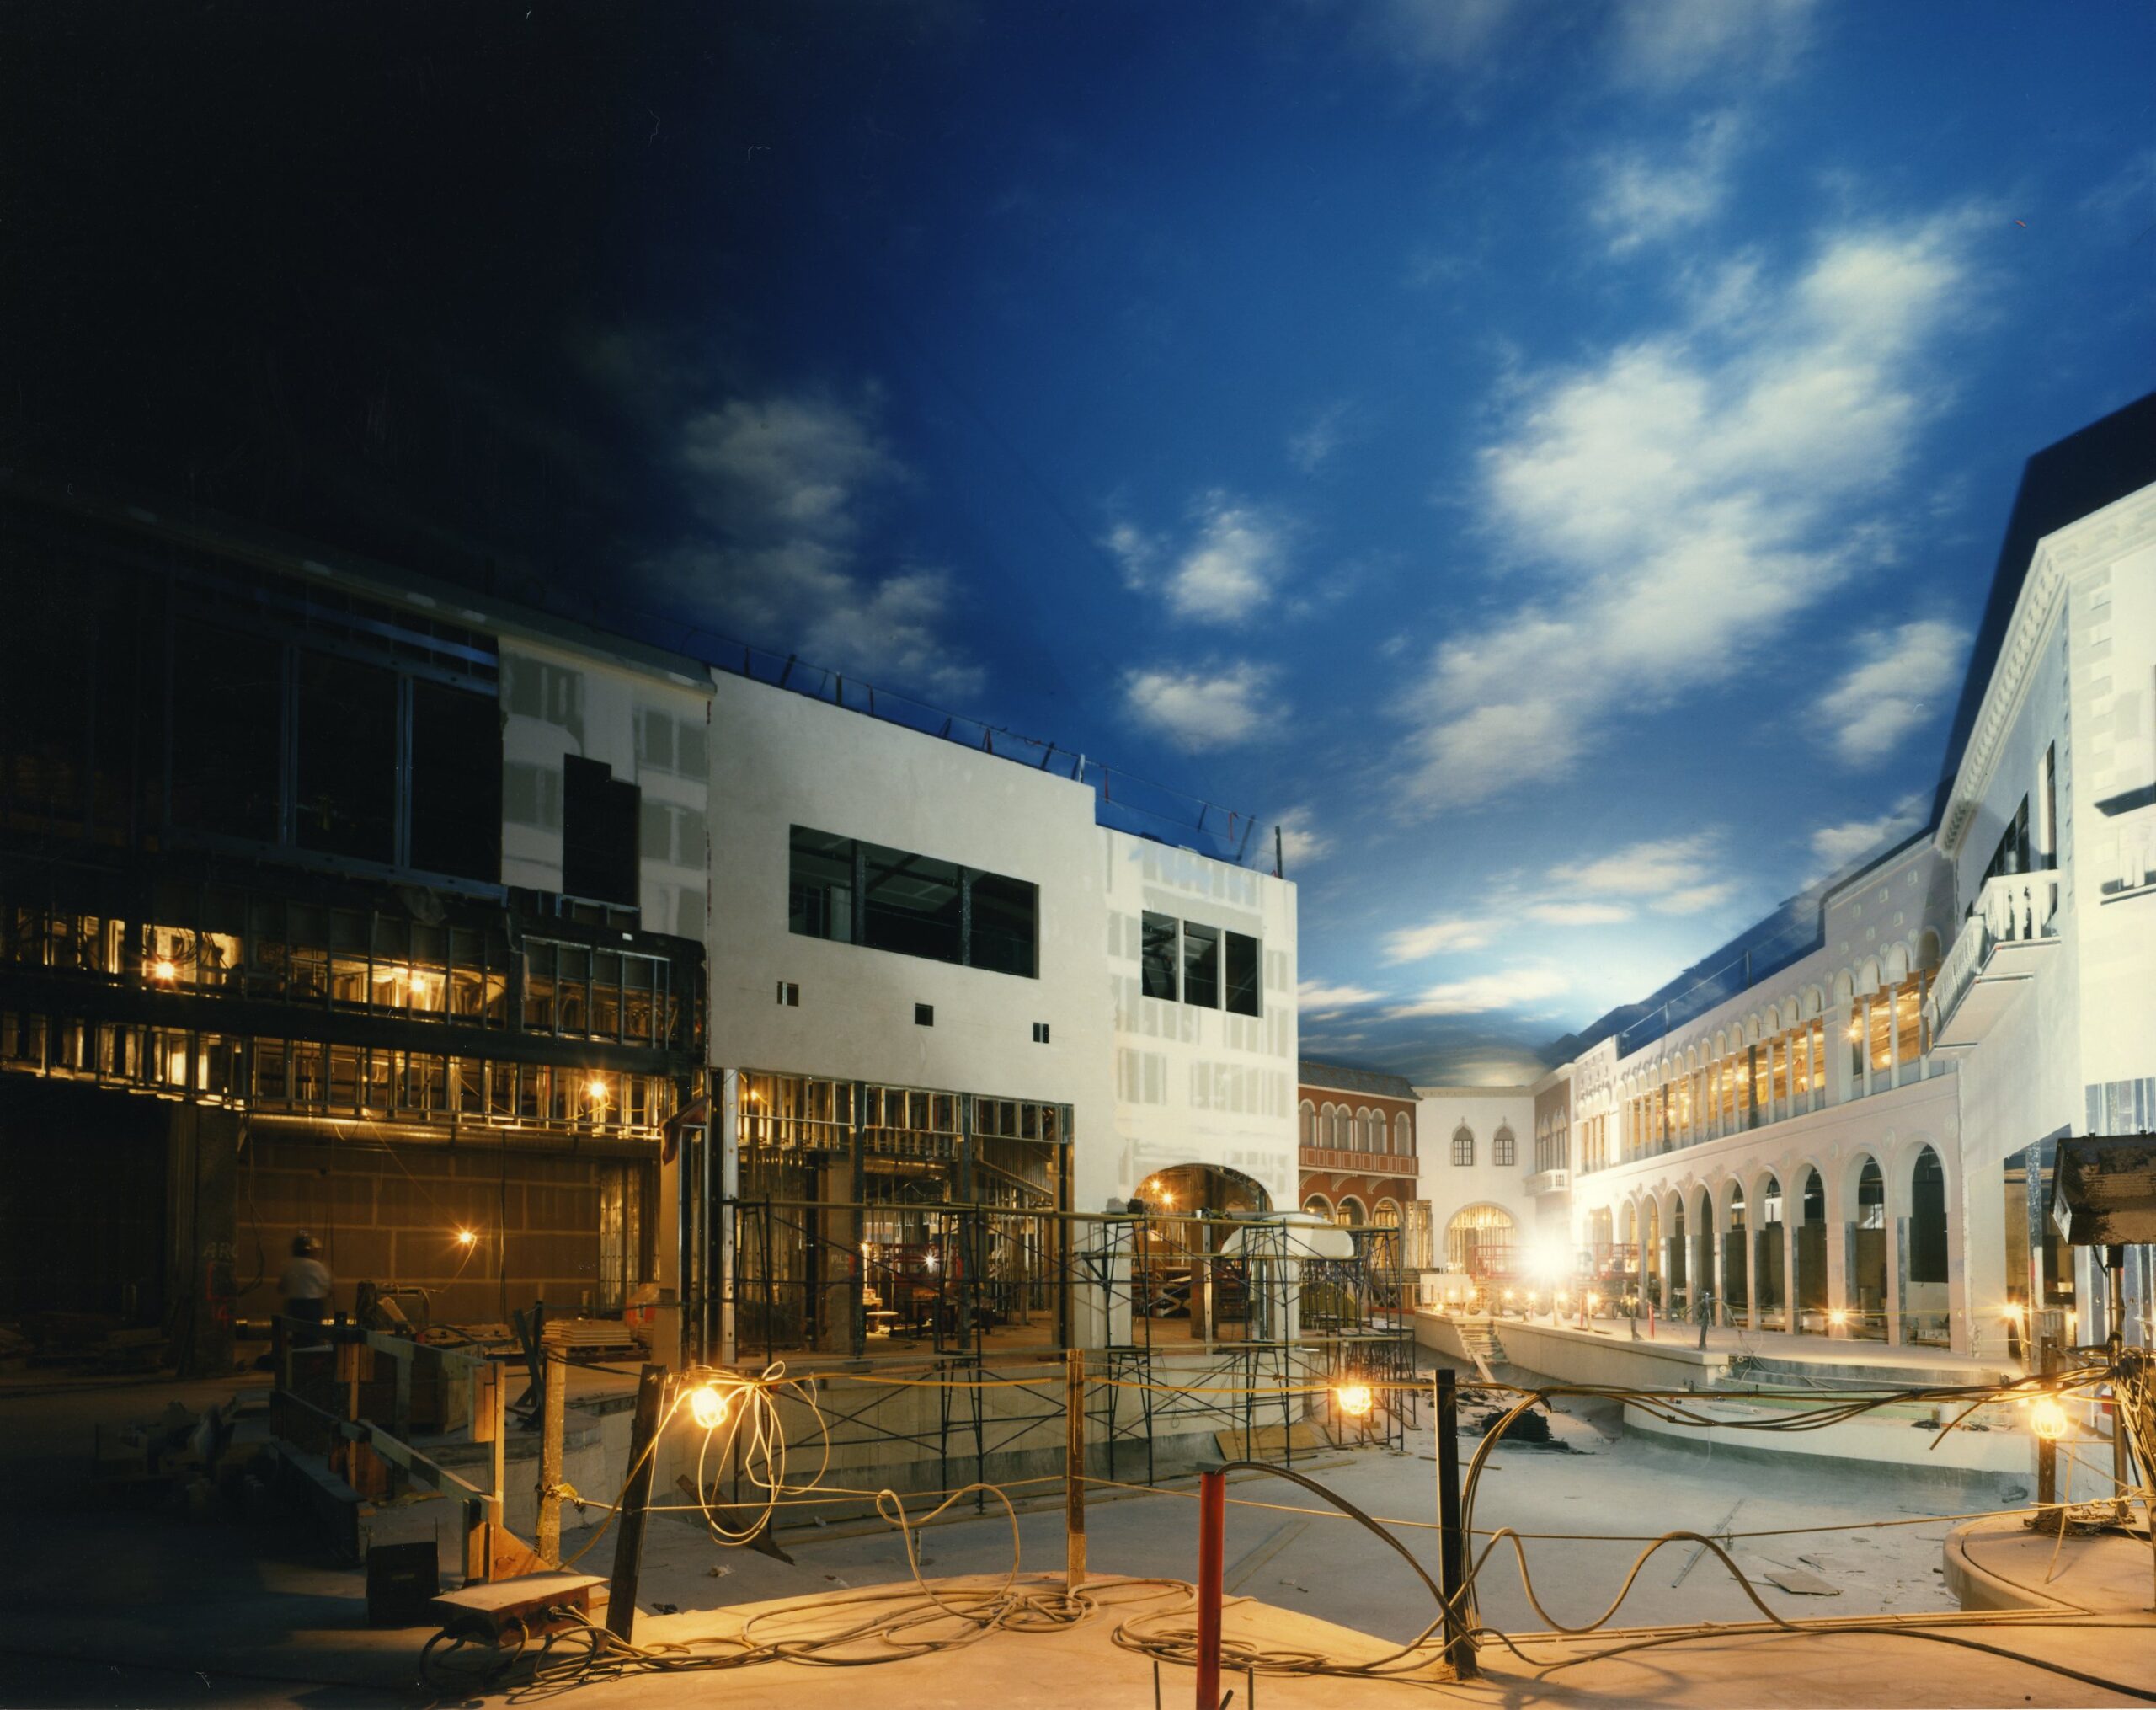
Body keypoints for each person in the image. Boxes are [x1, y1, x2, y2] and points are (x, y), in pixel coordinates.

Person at [280, 1233, 332, 1328]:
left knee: (297, 1335)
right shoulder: (317, 1266)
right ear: (309, 1250)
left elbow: (282, 1288)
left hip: (294, 1305)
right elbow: (328, 1287)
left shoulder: (288, 1265)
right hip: (312, 1306)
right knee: (312, 1335)